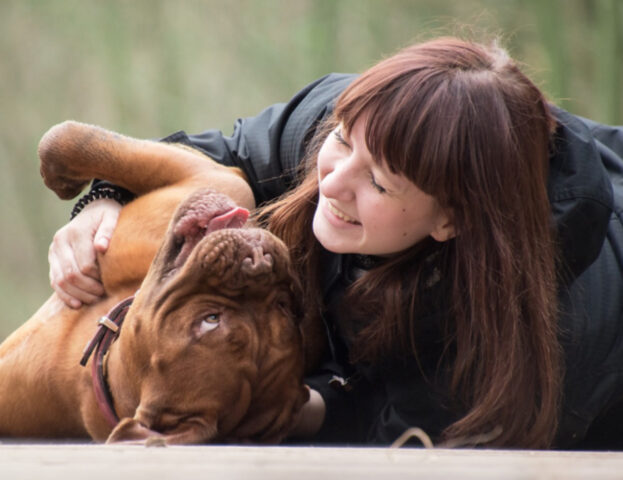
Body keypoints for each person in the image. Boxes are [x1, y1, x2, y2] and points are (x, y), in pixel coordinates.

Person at [47, 37, 623, 449]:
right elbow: (230, 154)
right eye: (344, 141)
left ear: (452, 221)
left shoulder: (514, 351)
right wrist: (103, 198)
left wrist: (291, 409)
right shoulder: (361, 119)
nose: (333, 179)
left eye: (378, 182)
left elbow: (388, 429)